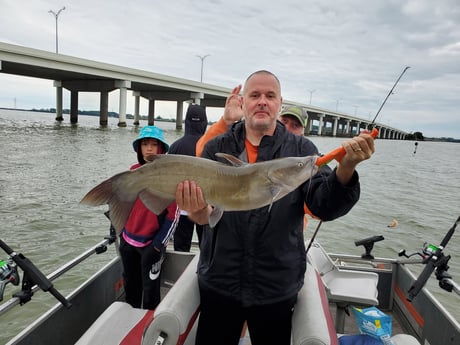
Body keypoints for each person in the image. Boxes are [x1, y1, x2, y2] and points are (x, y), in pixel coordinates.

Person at [175, 70, 375, 345]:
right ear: (243, 102)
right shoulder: (215, 148)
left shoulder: (302, 150)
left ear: (279, 103)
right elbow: (204, 216)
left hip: (276, 288)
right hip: (220, 282)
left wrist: (346, 168)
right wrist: (194, 209)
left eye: (270, 96)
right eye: (255, 95)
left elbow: (325, 206)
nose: (262, 101)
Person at [119, 125, 179, 310]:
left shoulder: (168, 177)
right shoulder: (133, 170)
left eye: (154, 144)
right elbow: (123, 204)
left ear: (161, 149)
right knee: (131, 285)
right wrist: (120, 231)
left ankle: (149, 327)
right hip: (128, 240)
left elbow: (174, 215)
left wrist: (158, 244)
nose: (150, 148)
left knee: (151, 290)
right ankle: (130, 320)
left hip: (151, 245)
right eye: (145, 144)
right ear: (139, 148)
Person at [168, 104, 208, 251]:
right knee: (206, 246)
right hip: (205, 205)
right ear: (204, 122)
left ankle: (182, 272)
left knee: (181, 246)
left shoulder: (175, 147)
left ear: (186, 121)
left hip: (181, 207)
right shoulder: (210, 147)